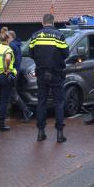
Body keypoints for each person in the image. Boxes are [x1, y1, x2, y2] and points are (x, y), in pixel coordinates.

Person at [29, 14, 69, 143]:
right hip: (56, 73)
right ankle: (59, 134)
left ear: (42, 22)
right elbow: (66, 54)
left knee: (41, 102)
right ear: (53, 22)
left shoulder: (35, 36)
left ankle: (41, 133)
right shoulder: (59, 35)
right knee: (58, 103)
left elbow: (31, 53)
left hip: (41, 73)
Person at [0, 27, 16, 132]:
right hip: (3, 76)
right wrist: (6, 69)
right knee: (4, 101)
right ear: (7, 40)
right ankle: (0, 125)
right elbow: (8, 58)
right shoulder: (8, 49)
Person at [7, 30, 33, 122]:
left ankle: (27, 111)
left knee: (13, 93)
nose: (6, 39)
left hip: (12, 72)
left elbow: (10, 60)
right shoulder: (17, 45)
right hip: (17, 71)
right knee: (12, 93)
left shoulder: (11, 46)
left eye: (7, 37)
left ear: (10, 37)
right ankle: (9, 112)